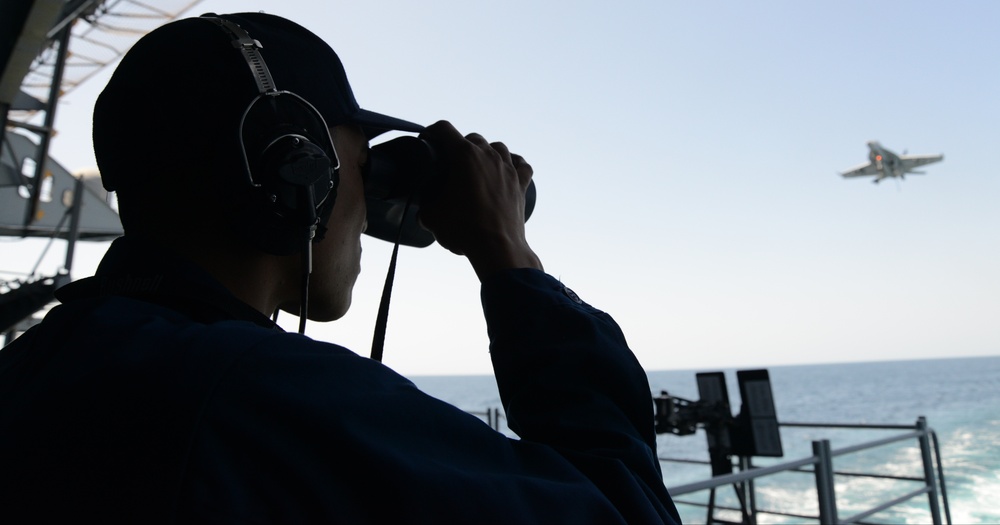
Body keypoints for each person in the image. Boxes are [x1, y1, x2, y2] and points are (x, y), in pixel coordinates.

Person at [0, 12, 681, 524]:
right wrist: (510, 256)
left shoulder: (40, 364)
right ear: (294, 170)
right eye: (362, 167)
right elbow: (623, 508)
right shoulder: (259, 394)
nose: (365, 213)